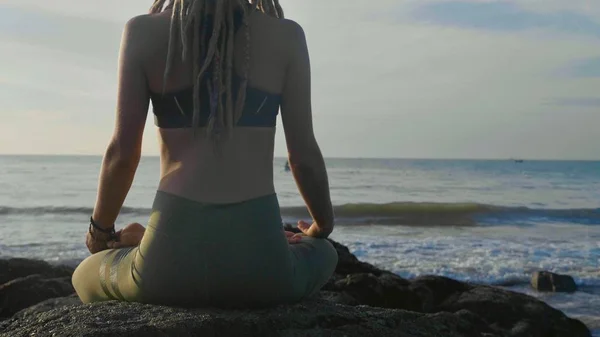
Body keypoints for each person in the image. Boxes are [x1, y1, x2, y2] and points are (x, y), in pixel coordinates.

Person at [72, 0, 338, 308]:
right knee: (326, 252)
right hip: (262, 269)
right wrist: (320, 227)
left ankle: (143, 241)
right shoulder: (287, 35)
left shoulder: (142, 31)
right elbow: (302, 156)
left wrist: (100, 232)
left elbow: (123, 155)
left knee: (84, 274)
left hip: (167, 264)